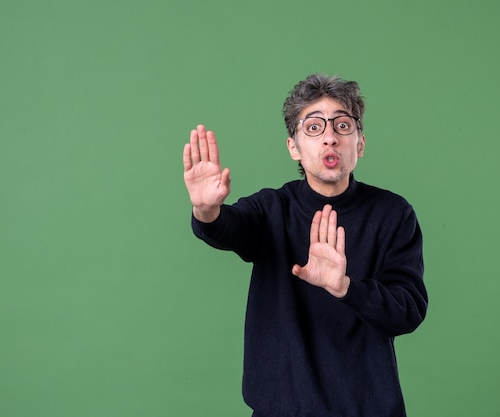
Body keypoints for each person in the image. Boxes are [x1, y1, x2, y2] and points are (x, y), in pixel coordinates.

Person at [182, 73, 428, 417]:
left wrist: (345, 287)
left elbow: (408, 311)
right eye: (314, 127)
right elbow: (228, 228)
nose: (329, 138)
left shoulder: (393, 214)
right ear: (294, 146)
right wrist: (207, 210)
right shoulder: (271, 209)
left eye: (342, 126)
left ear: (360, 143)